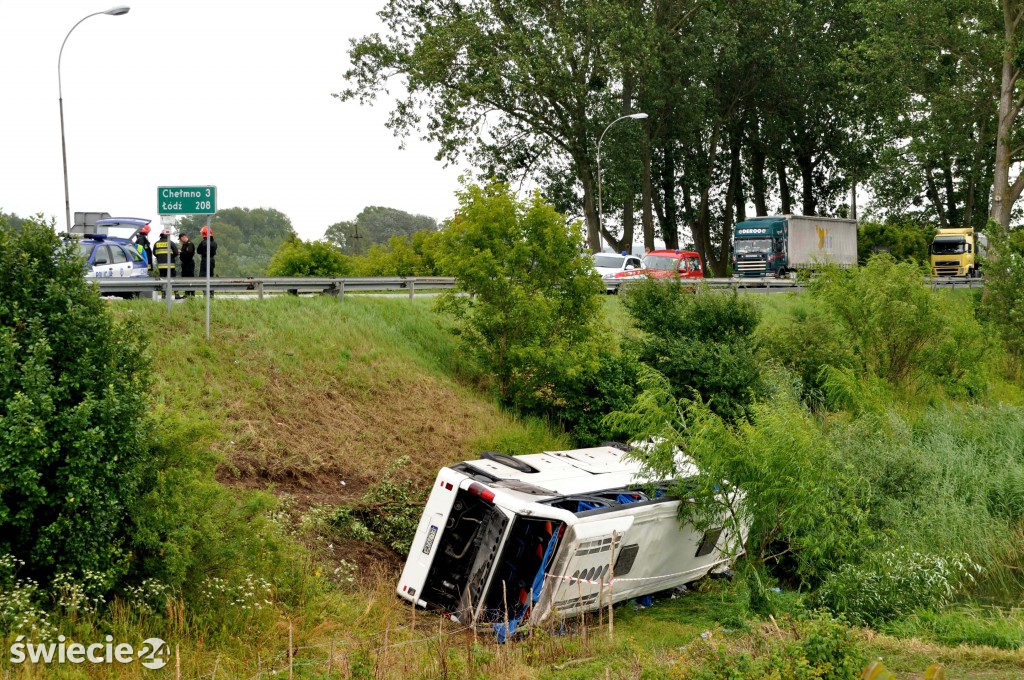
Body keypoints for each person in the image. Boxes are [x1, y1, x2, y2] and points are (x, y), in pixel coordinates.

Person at [196, 225, 218, 297]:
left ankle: (205, 293)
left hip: (205, 260)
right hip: (212, 260)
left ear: (204, 234)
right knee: (211, 276)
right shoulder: (214, 243)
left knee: (203, 276)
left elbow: (198, 251)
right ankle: (211, 294)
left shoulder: (203, 242)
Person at [178, 232, 196, 297]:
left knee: (190, 278)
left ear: (183, 237)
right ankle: (187, 293)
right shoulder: (185, 244)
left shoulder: (189, 244)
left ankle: (192, 293)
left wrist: (181, 252)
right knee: (185, 279)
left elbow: (189, 253)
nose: (180, 241)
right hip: (185, 264)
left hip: (189, 264)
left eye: (180, 239)